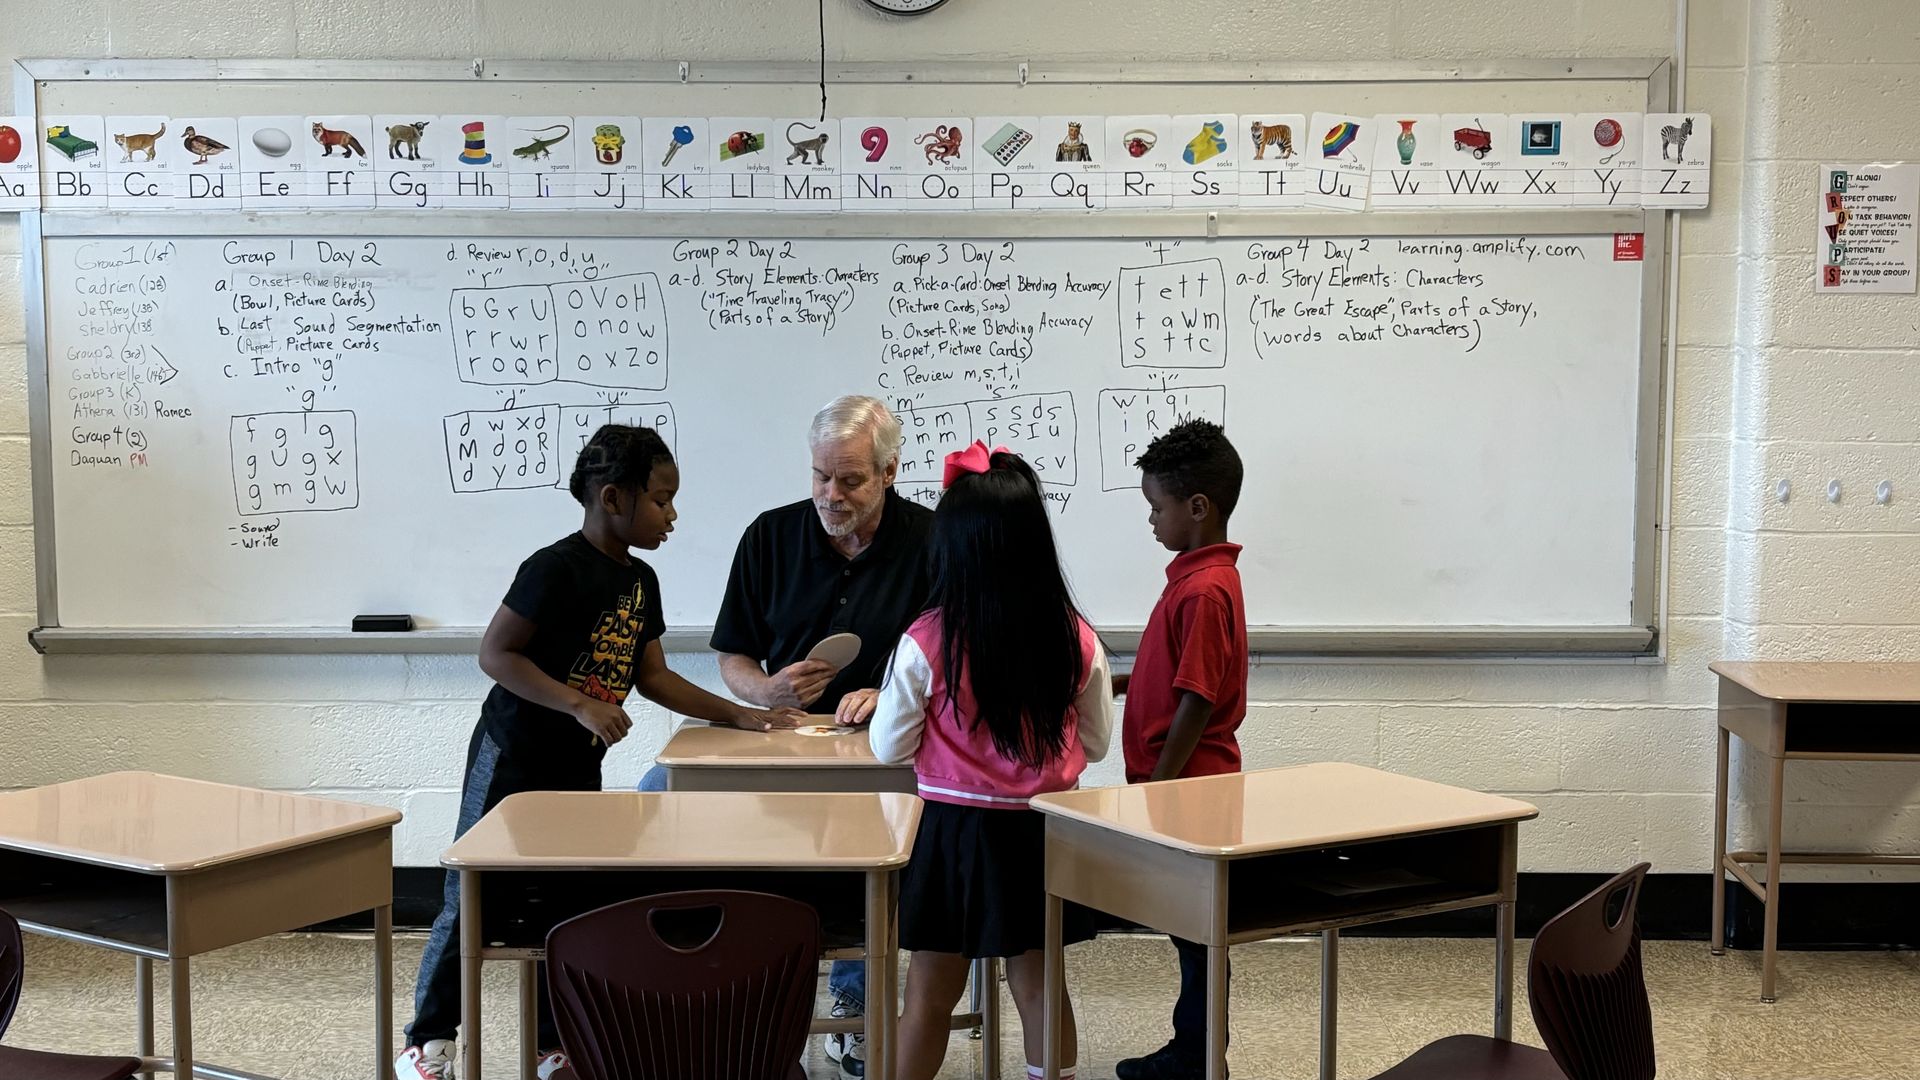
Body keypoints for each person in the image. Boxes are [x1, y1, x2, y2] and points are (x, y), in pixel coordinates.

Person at [395, 425, 801, 1080]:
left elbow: (655, 676)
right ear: (614, 497)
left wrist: (740, 714)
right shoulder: (553, 568)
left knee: (566, 902)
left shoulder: (640, 581)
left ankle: (553, 1044)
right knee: (472, 892)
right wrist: (578, 703)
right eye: (662, 500)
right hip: (513, 757)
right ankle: (429, 1039)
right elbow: (496, 655)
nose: (672, 514)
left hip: (576, 765)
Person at [637, 395, 934, 1078]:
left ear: (891, 470)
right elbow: (734, 657)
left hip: (884, 748)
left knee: (872, 847)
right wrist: (761, 691)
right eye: (820, 476)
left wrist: (892, 695)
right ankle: (696, 992)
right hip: (778, 736)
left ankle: (854, 1011)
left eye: (851, 480)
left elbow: (954, 654)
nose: (832, 494)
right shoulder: (769, 536)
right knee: (657, 795)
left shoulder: (932, 540)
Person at [867, 442, 1114, 1080]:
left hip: (952, 835)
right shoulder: (1077, 637)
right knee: (1038, 986)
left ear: (951, 547)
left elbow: (890, 746)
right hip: (1043, 832)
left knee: (927, 995)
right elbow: (1095, 744)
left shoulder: (926, 639)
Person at [1112, 419, 1249, 1080]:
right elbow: (1174, 676)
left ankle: (1194, 1056)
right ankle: (1191, 1049)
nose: (1152, 523)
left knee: (1198, 936)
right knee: (1191, 933)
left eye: (1155, 509)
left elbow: (1195, 697)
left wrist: (1161, 788)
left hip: (1190, 789)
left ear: (1197, 508)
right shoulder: (1198, 580)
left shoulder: (1202, 589)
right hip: (1187, 784)